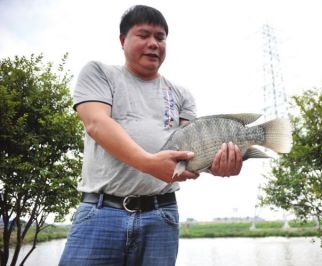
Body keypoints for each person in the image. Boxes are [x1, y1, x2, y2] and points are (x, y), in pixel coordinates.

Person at [59, 5, 242, 266]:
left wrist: (221, 165)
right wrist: (149, 163)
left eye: (160, 37)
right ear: (123, 40)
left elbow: (191, 155)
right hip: (101, 213)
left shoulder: (182, 95)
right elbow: (96, 124)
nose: (153, 44)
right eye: (143, 35)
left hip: (161, 215)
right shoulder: (99, 73)